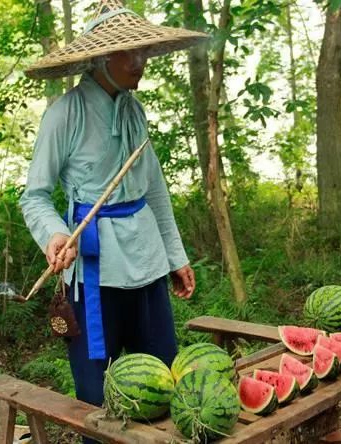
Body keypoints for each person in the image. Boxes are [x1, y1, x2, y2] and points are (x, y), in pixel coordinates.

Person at [20, 1, 206, 442]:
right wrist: (56, 235)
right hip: (94, 270)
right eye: (131, 53)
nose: (141, 62)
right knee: (96, 399)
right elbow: (35, 197)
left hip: (147, 264)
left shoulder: (134, 110)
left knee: (160, 380)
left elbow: (154, 190)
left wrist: (175, 256)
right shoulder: (65, 114)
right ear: (103, 57)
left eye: (144, 52)